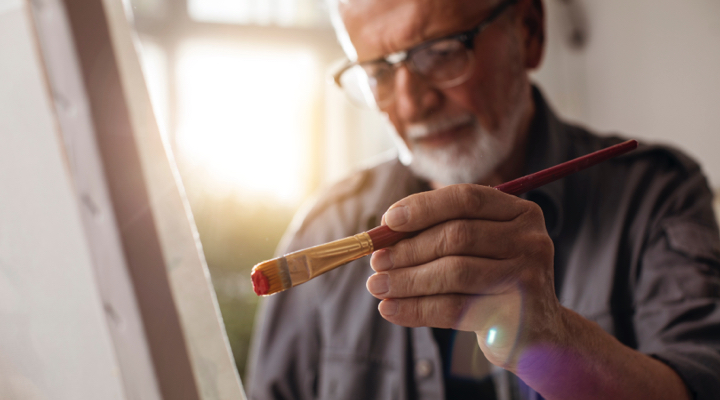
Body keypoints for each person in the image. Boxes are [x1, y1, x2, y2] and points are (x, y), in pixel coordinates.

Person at [248, 0, 720, 398]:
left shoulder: (655, 195)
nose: (411, 103)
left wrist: (553, 343)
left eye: (439, 52)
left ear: (529, 32)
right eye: (378, 71)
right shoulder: (326, 226)